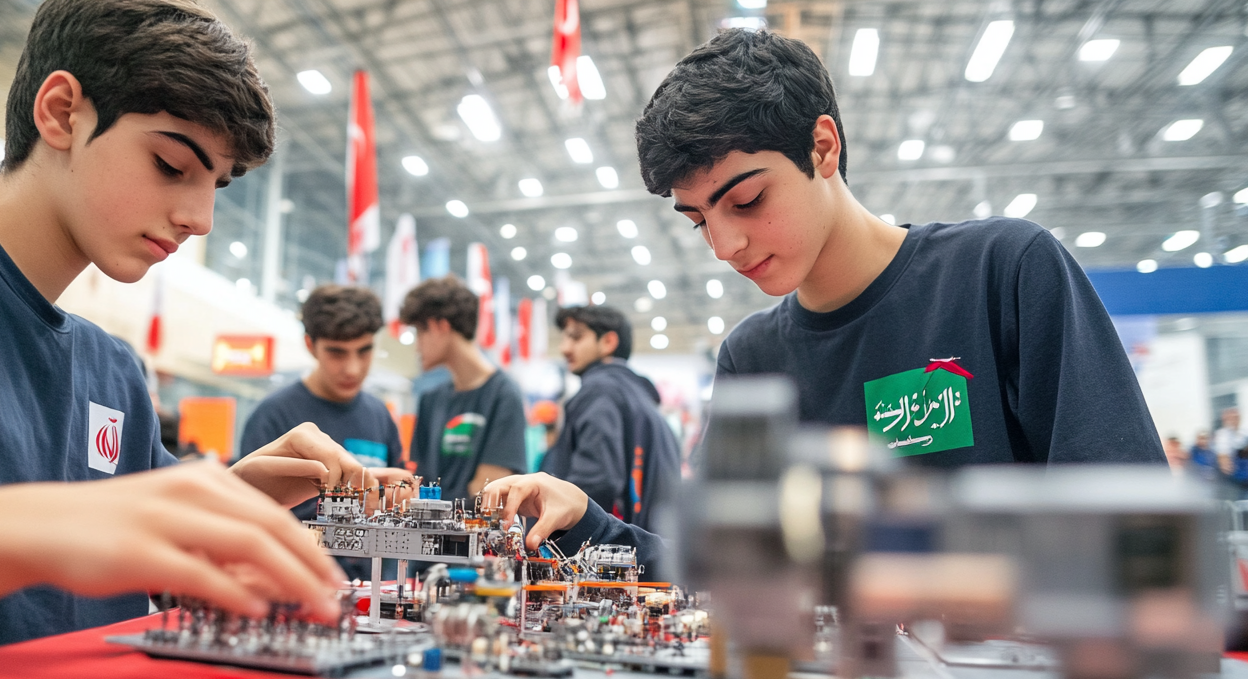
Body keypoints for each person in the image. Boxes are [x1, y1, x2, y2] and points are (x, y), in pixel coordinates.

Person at [0, 0, 394, 679]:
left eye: (215, 186)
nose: (199, 218)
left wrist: (236, 498)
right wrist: (25, 528)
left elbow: (123, 561)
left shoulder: (111, 370)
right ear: (60, 113)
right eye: (172, 165)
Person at [479, 27, 1167, 563]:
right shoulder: (752, 357)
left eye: (745, 200)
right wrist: (586, 521)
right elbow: (718, 569)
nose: (724, 246)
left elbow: (1131, 522)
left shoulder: (1002, 273)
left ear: (824, 146)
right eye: (698, 221)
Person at [240, 284, 409, 520]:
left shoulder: (380, 415)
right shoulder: (272, 416)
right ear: (310, 346)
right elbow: (246, 509)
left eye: (364, 351)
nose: (352, 369)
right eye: (337, 353)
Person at [542, 305, 680, 533]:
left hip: (612, 557)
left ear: (608, 342)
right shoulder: (641, 398)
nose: (564, 348)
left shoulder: (600, 391)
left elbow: (595, 482)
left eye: (576, 337)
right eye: (564, 338)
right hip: (653, 549)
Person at [400, 277, 528, 502]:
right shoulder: (430, 400)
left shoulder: (504, 395)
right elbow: (419, 484)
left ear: (440, 326)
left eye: (420, 333)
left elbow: (489, 493)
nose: (417, 347)